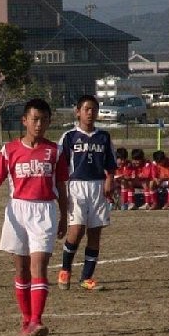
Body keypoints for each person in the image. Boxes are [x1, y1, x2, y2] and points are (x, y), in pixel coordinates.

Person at [0, 98, 67, 336]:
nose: (39, 124)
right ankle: (26, 320)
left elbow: (61, 186)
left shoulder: (55, 151)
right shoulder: (9, 151)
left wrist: (64, 216)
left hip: (44, 211)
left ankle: (37, 320)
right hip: (17, 211)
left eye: (44, 120)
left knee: (39, 265)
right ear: (24, 120)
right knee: (21, 269)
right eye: (35, 119)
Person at [56, 94, 117, 292]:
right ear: (78, 112)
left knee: (94, 232)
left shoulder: (104, 137)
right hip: (77, 186)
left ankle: (86, 277)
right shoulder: (69, 137)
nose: (90, 113)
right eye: (86, 109)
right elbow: (60, 165)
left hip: (98, 186)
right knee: (76, 230)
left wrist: (109, 179)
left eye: (94, 109)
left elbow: (110, 164)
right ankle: (65, 270)